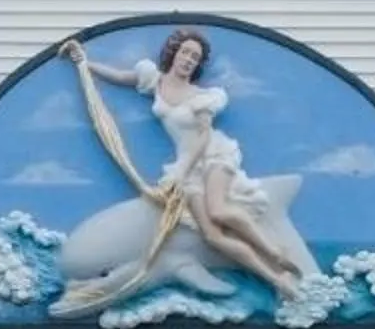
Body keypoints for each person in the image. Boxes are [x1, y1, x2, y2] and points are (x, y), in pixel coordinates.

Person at [60, 29, 309, 298]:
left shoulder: (203, 96)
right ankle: (276, 280)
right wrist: (83, 63)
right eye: (186, 53)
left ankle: (275, 252)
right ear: (174, 53)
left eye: (195, 57)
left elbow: (202, 137)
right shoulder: (154, 81)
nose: (189, 59)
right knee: (213, 237)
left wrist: (183, 168)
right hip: (185, 168)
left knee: (219, 211)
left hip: (213, 155)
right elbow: (120, 77)